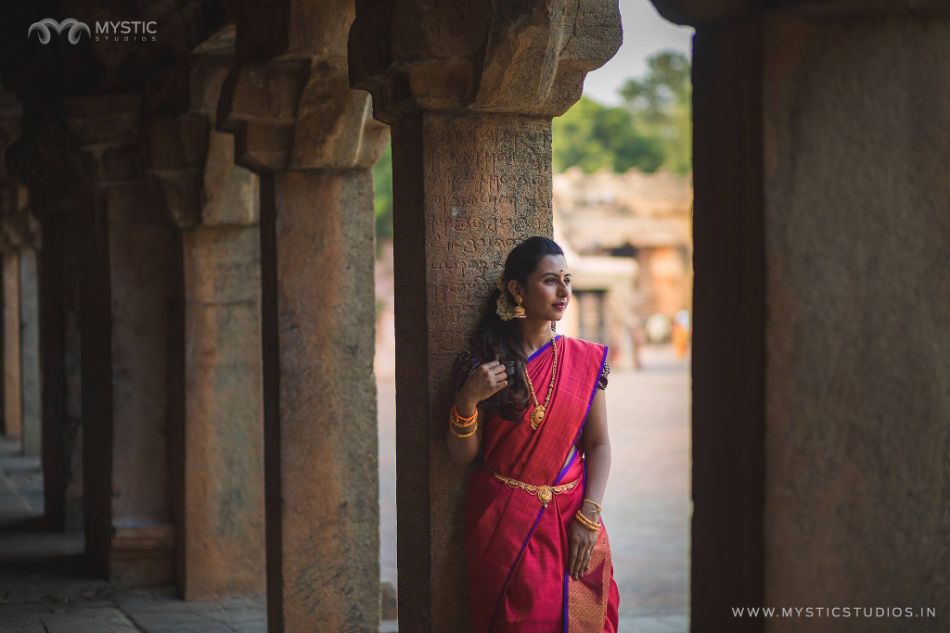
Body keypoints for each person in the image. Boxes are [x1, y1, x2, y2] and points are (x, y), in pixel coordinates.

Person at [447, 236, 620, 632]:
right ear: (516, 290)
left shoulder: (585, 360)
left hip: (574, 516)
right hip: (505, 522)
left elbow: (598, 444)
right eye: (549, 281)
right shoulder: (483, 363)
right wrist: (467, 400)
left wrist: (589, 516)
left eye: (567, 280)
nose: (563, 292)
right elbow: (463, 456)